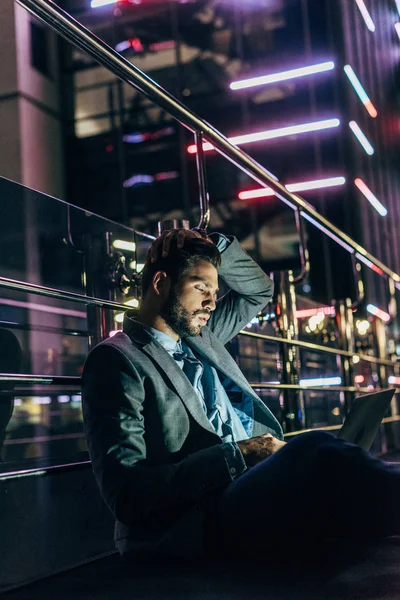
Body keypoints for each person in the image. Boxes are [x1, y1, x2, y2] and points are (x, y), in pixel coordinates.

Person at [82, 229, 400, 562]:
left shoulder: (203, 336)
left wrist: (211, 241)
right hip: (193, 517)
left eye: (215, 292)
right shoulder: (117, 359)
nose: (211, 303)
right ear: (160, 283)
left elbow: (258, 291)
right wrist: (243, 454)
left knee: (341, 492)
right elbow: (128, 495)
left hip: (251, 488)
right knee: (315, 451)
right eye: (201, 288)